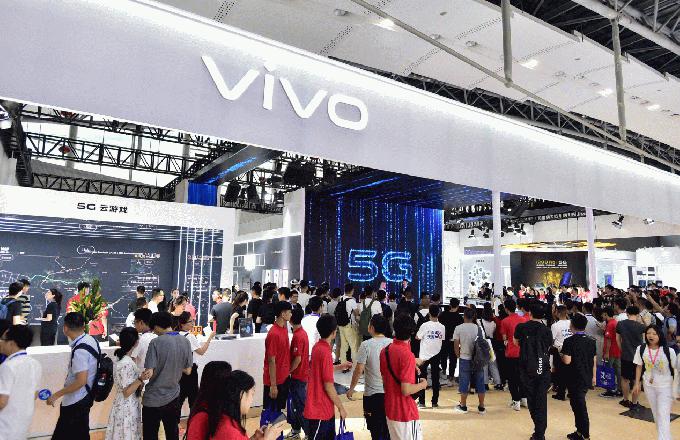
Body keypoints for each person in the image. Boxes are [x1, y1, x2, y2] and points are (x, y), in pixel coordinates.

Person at [48, 312, 101, 440]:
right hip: (85, 397)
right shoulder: (91, 340)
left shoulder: (80, 350)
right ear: (83, 326)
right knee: (80, 433)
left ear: (65, 328)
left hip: (76, 401)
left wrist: (56, 395)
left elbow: (80, 381)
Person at [187, 369, 284, 440]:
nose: (252, 399)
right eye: (252, 394)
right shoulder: (229, 431)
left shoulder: (223, 419)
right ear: (241, 394)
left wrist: (254, 438)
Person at [142, 311, 193, 440]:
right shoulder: (185, 341)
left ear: (157, 326)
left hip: (153, 397)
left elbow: (149, 372)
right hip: (173, 395)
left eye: (154, 329)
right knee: (172, 434)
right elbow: (188, 371)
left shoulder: (155, 342)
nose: (154, 332)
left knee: (150, 435)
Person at [303, 314, 352, 439]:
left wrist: (340, 366)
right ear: (334, 332)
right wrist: (341, 407)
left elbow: (321, 370)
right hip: (320, 409)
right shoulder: (325, 352)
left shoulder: (317, 348)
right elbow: (328, 386)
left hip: (322, 408)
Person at [380, 313, 426, 440]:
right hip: (405, 412)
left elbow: (385, 381)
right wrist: (423, 385)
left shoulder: (385, 351)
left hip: (390, 408)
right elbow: (405, 390)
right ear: (412, 332)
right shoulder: (407, 355)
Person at [347, 314, 392, 440]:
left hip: (372, 395)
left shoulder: (366, 345)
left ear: (371, 327)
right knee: (389, 430)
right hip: (390, 394)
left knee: (375, 430)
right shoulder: (392, 343)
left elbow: (359, 370)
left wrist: (351, 389)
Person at [514, 303, 553, 440]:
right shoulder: (546, 330)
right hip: (543, 368)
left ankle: (538, 431)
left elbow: (515, 342)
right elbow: (548, 347)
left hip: (526, 368)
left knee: (531, 398)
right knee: (541, 400)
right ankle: (540, 432)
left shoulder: (521, 327)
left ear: (530, 313)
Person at [633, 325, 677, 440]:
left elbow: (676, 370)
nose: (650, 336)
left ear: (659, 335)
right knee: (657, 415)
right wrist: (637, 383)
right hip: (649, 386)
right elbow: (639, 366)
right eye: (648, 333)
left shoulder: (669, 351)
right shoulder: (641, 349)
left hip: (666, 387)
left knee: (663, 414)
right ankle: (666, 437)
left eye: (654, 334)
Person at [0, 324, 42, 440]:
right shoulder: (35, 364)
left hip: (4, 426)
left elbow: (2, 401)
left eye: (3, 339)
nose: (1, 342)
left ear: (11, 343)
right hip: (23, 424)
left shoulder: (8, 366)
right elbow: (34, 395)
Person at [561, 313, 597, 440]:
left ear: (572, 325)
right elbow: (594, 360)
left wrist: (561, 354)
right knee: (577, 405)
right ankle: (579, 432)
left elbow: (567, 361)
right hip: (586, 376)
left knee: (580, 407)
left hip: (574, 377)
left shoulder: (569, 341)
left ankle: (585, 435)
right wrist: (594, 377)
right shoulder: (591, 341)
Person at [106, 327, 146, 440]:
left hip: (123, 403)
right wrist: (141, 379)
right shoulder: (126, 363)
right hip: (127, 406)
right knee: (127, 434)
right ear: (136, 343)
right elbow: (127, 392)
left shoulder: (121, 359)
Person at [177, 312, 215, 412]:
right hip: (190, 370)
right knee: (193, 399)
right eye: (190, 321)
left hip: (178, 370)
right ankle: (193, 420)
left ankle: (175, 421)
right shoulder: (190, 336)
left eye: (193, 320)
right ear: (182, 324)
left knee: (179, 399)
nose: (193, 323)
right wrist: (209, 338)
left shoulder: (176, 334)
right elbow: (201, 351)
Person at [452, 307, 485, 414]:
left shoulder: (458, 328)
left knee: (464, 381)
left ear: (464, 316)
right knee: (480, 381)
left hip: (464, 357)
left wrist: (458, 354)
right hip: (478, 360)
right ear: (474, 317)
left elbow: (456, 344)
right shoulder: (478, 328)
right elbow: (482, 343)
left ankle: (463, 405)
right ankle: (481, 406)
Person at [263, 301, 292, 413]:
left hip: (283, 377)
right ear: (283, 314)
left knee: (279, 413)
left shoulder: (283, 329)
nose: (291, 314)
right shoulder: (274, 334)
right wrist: (273, 385)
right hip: (275, 381)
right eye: (289, 312)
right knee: (271, 414)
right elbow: (271, 361)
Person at [616, 306, 646, 409]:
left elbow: (618, 339)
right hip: (639, 357)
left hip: (626, 356)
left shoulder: (620, 324)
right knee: (638, 380)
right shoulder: (641, 326)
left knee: (625, 379)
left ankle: (625, 400)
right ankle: (634, 402)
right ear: (637, 314)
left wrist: (622, 350)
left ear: (627, 313)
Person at [415, 304, 445, 408]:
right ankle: (434, 402)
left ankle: (422, 402)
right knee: (435, 377)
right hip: (436, 354)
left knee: (422, 377)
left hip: (424, 355)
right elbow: (441, 339)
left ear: (429, 313)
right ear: (439, 313)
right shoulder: (442, 327)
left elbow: (417, 337)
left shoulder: (425, 325)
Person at [500, 299, 527, 410]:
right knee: (522, 377)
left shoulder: (505, 321)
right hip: (523, 352)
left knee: (512, 378)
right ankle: (524, 399)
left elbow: (504, 338)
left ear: (506, 309)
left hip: (511, 353)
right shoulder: (523, 319)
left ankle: (516, 401)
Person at [287, 308, 309, 439]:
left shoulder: (298, 336)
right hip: (301, 375)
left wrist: (288, 371)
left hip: (298, 376)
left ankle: (308, 433)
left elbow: (297, 359)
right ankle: (296, 430)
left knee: (300, 406)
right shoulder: (302, 333)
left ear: (290, 319)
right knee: (295, 405)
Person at [551, 305, 572, 400]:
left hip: (559, 350)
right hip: (571, 350)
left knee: (560, 372)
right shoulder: (571, 322)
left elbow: (552, 339)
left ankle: (561, 393)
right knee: (570, 372)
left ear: (558, 313)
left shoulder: (555, 325)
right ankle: (571, 392)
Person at [601, 307, 623, 398]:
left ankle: (610, 390)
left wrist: (606, 353)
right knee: (618, 371)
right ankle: (620, 389)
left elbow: (609, 340)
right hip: (617, 350)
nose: (602, 316)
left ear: (606, 314)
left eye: (603, 314)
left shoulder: (610, 324)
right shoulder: (615, 322)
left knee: (608, 371)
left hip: (610, 351)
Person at [439, 297, 463, 380]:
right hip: (454, 341)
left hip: (443, 339)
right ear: (458, 306)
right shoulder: (459, 317)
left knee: (443, 356)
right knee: (453, 358)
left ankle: (444, 371)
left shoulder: (443, 315)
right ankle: (451, 376)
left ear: (450, 304)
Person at [336, 283, 359, 367]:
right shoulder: (352, 300)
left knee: (343, 345)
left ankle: (343, 365)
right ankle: (355, 365)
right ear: (352, 290)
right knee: (353, 346)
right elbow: (356, 313)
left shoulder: (341, 298)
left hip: (340, 325)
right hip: (348, 325)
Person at [479, 305, 502, 389]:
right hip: (491, 344)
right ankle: (498, 383)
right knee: (493, 364)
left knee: (484, 365)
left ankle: (485, 384)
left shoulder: (479, 322)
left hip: (483, 344)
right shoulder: (493, 323)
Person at [130, 308, 156, 373]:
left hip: (141, 374)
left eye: (134, 322)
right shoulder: (157, 336)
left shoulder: (141, 339)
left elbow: (132, 358)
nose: (134, 326)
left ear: (141, 322)